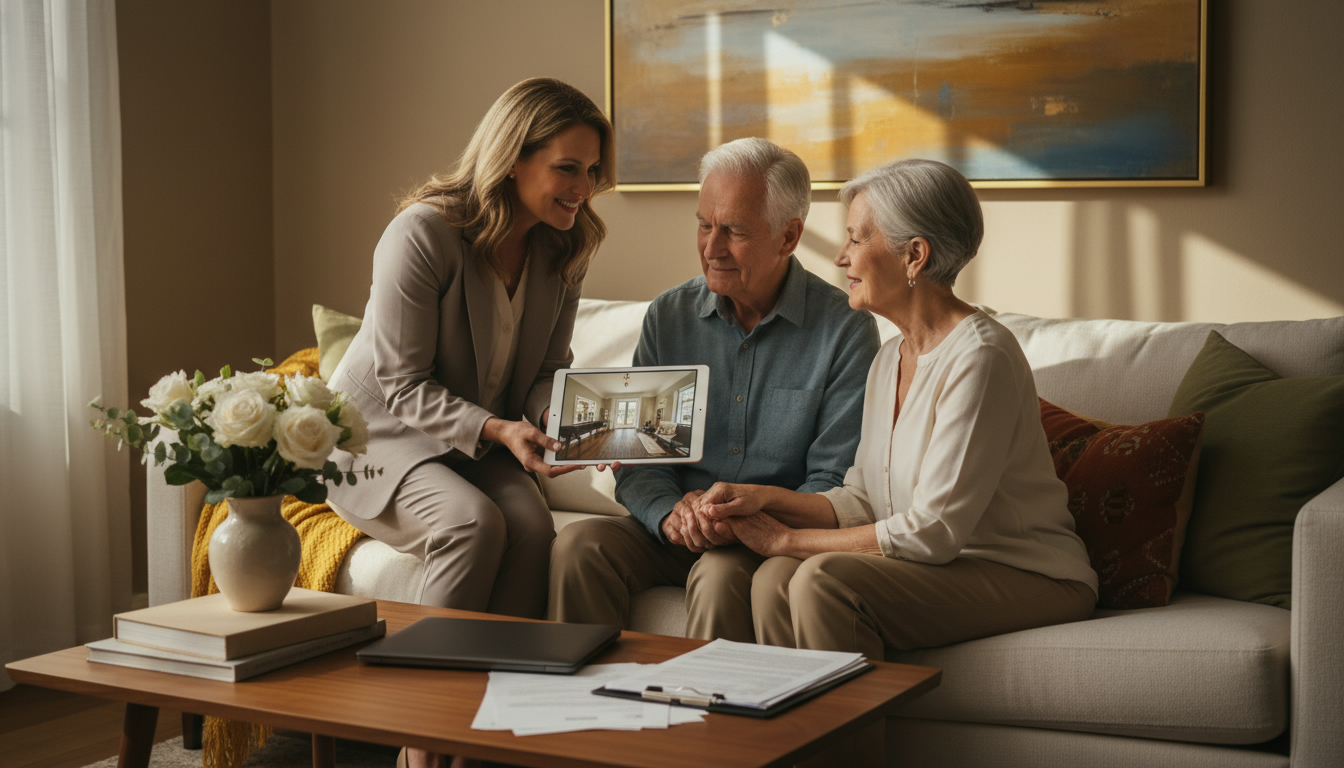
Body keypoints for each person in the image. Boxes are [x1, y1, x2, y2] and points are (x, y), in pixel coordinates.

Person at [695, 158, 1098, 662]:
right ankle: (788, 734)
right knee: (776, 578)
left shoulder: (981, 357)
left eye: (857, 239)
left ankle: (839, 740)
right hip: (940, 563)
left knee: (822, 580)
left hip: (1025, 571)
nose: (841, 257)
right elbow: (862, 499)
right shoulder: (891, 356)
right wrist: (761, 499)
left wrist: (788, 539)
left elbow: (935, 531)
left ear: (914, 256)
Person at [325, 77, 614, 768]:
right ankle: (420, 746)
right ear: (515, 158)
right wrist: (499, 430)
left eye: (592, 170)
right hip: (377, 434)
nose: (583, 187)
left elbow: (549, 367)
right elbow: (400, 383)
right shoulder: (423, 233)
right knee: (470, 522)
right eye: (566, 168)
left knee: (534, 526)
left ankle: (483, 748)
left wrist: (570, 423)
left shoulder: (564, 245)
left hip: (474, 438)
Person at [548, 138, 881, 642]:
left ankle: (708, 719)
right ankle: (587, 716)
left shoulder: (845, 330)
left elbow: (832, 480)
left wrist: (747, 521)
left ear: (789, 237)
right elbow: (639, 458)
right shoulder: (669, 316)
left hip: (767, 536)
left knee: (719, 573)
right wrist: (670, 516)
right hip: (673, 526)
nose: (711, 247)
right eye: (704, 224)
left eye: (734, 231)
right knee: (578, 545)